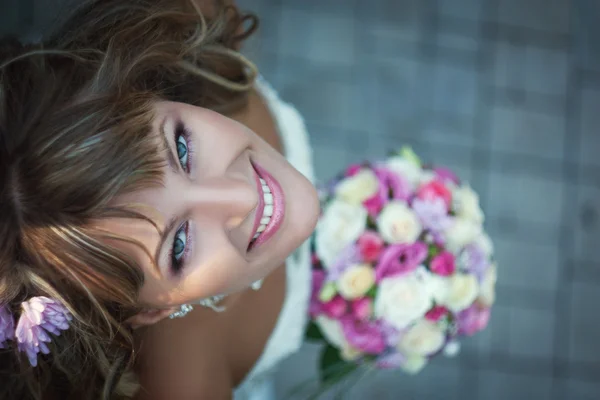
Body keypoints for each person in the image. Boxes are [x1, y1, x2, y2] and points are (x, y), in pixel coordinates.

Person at [0, 0, 320, 399]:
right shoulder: (185, 387)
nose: (242, 196)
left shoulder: (187, 24)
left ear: (140, 89)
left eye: (182, 148)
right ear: (148, 311)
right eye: (180, 246)